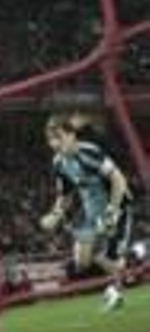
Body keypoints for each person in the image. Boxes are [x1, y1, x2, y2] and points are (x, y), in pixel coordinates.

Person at [41, 112, 131, 310]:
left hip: (116, 204)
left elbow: (118, 180)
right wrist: (55, 214)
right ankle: (118, 267)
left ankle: (117, 290)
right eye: (51, 140)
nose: (55, 144)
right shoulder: (59, 163)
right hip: (90, 210)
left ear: (71, 135)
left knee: (107, 258)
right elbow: (65, 195)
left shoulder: (89, 153)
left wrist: (112, 211)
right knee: (81, 262)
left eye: (59, 137)